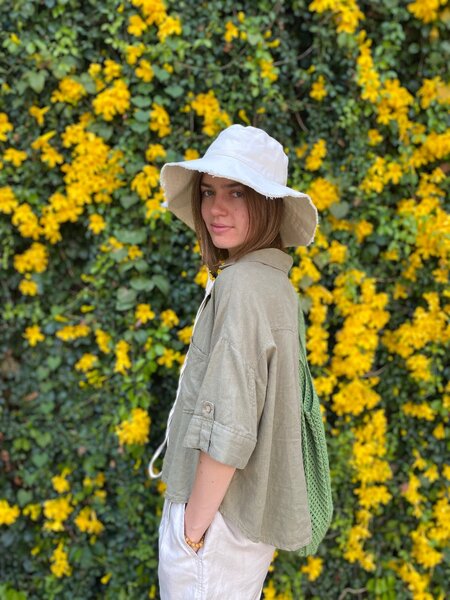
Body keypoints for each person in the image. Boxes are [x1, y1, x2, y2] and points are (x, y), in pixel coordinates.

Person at [149, 124, 319, 599]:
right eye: (208, 191)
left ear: (267, 203)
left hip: (215, 524)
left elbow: (229, 423)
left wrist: (192, 532)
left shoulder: (242, 285)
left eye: (237, 192)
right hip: (240, 525)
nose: (215, 208)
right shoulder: (274, 284)